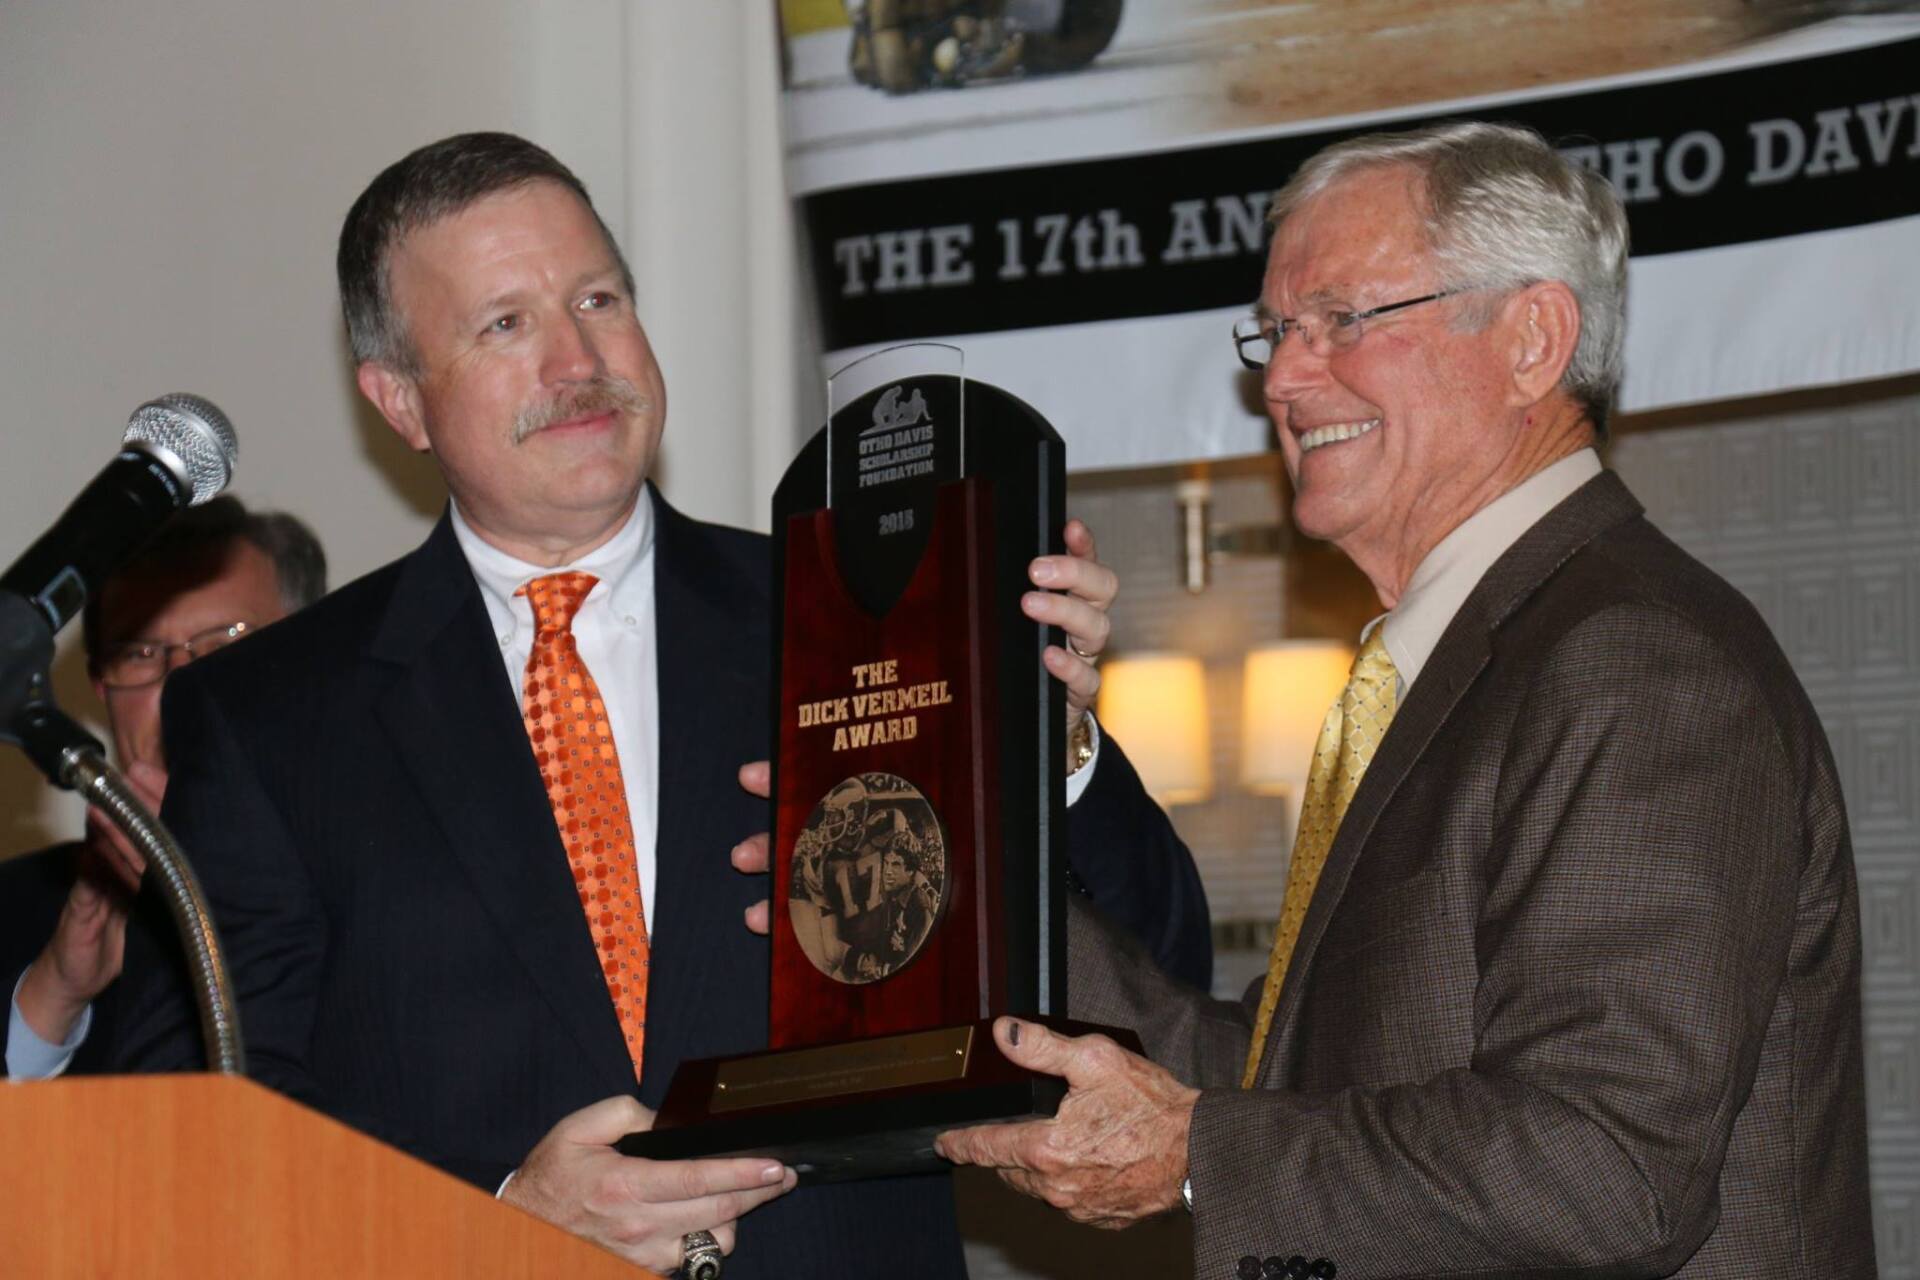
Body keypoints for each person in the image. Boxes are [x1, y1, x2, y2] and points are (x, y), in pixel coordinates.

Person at [113, 132, 1209, 1278]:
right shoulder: (269, 718)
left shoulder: (854, 615)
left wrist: (1053, 740)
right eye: (505, 324)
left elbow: (1160, 971)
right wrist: (490, 1223)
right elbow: (190, 1140)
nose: (577, 359)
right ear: (400, 400)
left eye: (599, 298)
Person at [936, 121, 1875, 1277]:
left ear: (1533, 338)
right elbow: (1286, 1081)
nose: (1280, 376)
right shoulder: (1466, 663)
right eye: (1277, 330)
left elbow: (1608, 1162)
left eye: (1344, 318)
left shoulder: (1635, 661)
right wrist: (950, 845)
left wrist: (1197, 1153)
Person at [1, 496, 325, 1079]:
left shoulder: (393, 887)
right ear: (99, 687)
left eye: (225, 641)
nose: (183, 684)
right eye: (141, 653)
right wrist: (55, 1000)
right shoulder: (19, 913)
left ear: (308, 658)